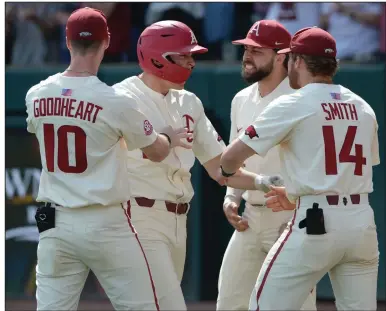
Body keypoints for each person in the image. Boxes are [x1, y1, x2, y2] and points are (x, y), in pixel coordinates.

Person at [25, 8, 192, 310]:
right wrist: (165, 135)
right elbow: (157, 152)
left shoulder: (36, 94)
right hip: (105, 222)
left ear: (67, 40)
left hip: (55, 223)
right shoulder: (114, 100)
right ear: (107, 41)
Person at [113, 20, 283, 310]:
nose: (192, 62)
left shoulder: (188, 102)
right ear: (158, 56)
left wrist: (262, 182)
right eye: (184, 55)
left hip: (178, 220)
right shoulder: (122, 96)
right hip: (138, 216)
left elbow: (220, 168)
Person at [220, 27, 380, 310]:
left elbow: (229, 159)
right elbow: (347, 169)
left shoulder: (294, 102)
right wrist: (293, 192)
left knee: (262, 306)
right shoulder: (363, 106)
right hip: (361, 222)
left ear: (298, 61)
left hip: (315, 221)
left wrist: (234, 171)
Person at [216, 20, 316, 311]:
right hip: (250, 217)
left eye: (257, 51)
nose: (247, 56)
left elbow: (313, 165)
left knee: (295, 306)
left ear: (282, 56)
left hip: (288, 218)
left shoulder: (299, 99)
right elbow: (236, 159)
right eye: (246, 48)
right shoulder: (240, 99)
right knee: (230, 303)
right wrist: (231, 199)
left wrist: (300, 210)